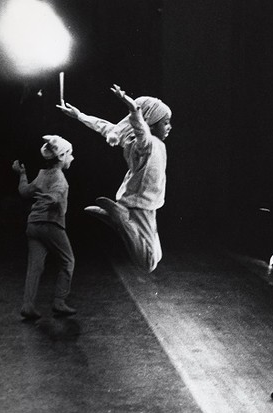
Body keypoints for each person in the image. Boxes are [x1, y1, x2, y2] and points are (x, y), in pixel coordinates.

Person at [57, 84, 172, 273]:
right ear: (150, 122)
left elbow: (104, 127)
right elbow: (139, 126)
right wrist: (133, 108)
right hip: (141, 202)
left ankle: (113, 217)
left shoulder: (132, 140)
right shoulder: (146, 143)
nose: (169, 127)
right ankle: (122, 220)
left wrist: (79, 116)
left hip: (144, 201)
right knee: (148, 263)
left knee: (156, 255)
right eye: (165, 122)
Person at [12, 135, 76, 319]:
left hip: (33, 225)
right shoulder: (60, 177)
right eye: (70, 155)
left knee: (35, 266)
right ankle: (59, 301)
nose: (72, 158)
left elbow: (24, 192)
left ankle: (28, 306)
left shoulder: (41, 176)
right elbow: (57, 194)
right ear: (62, 157)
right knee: (68, 261)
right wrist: (52, 198)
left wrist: (22, 175)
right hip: (51, 224)